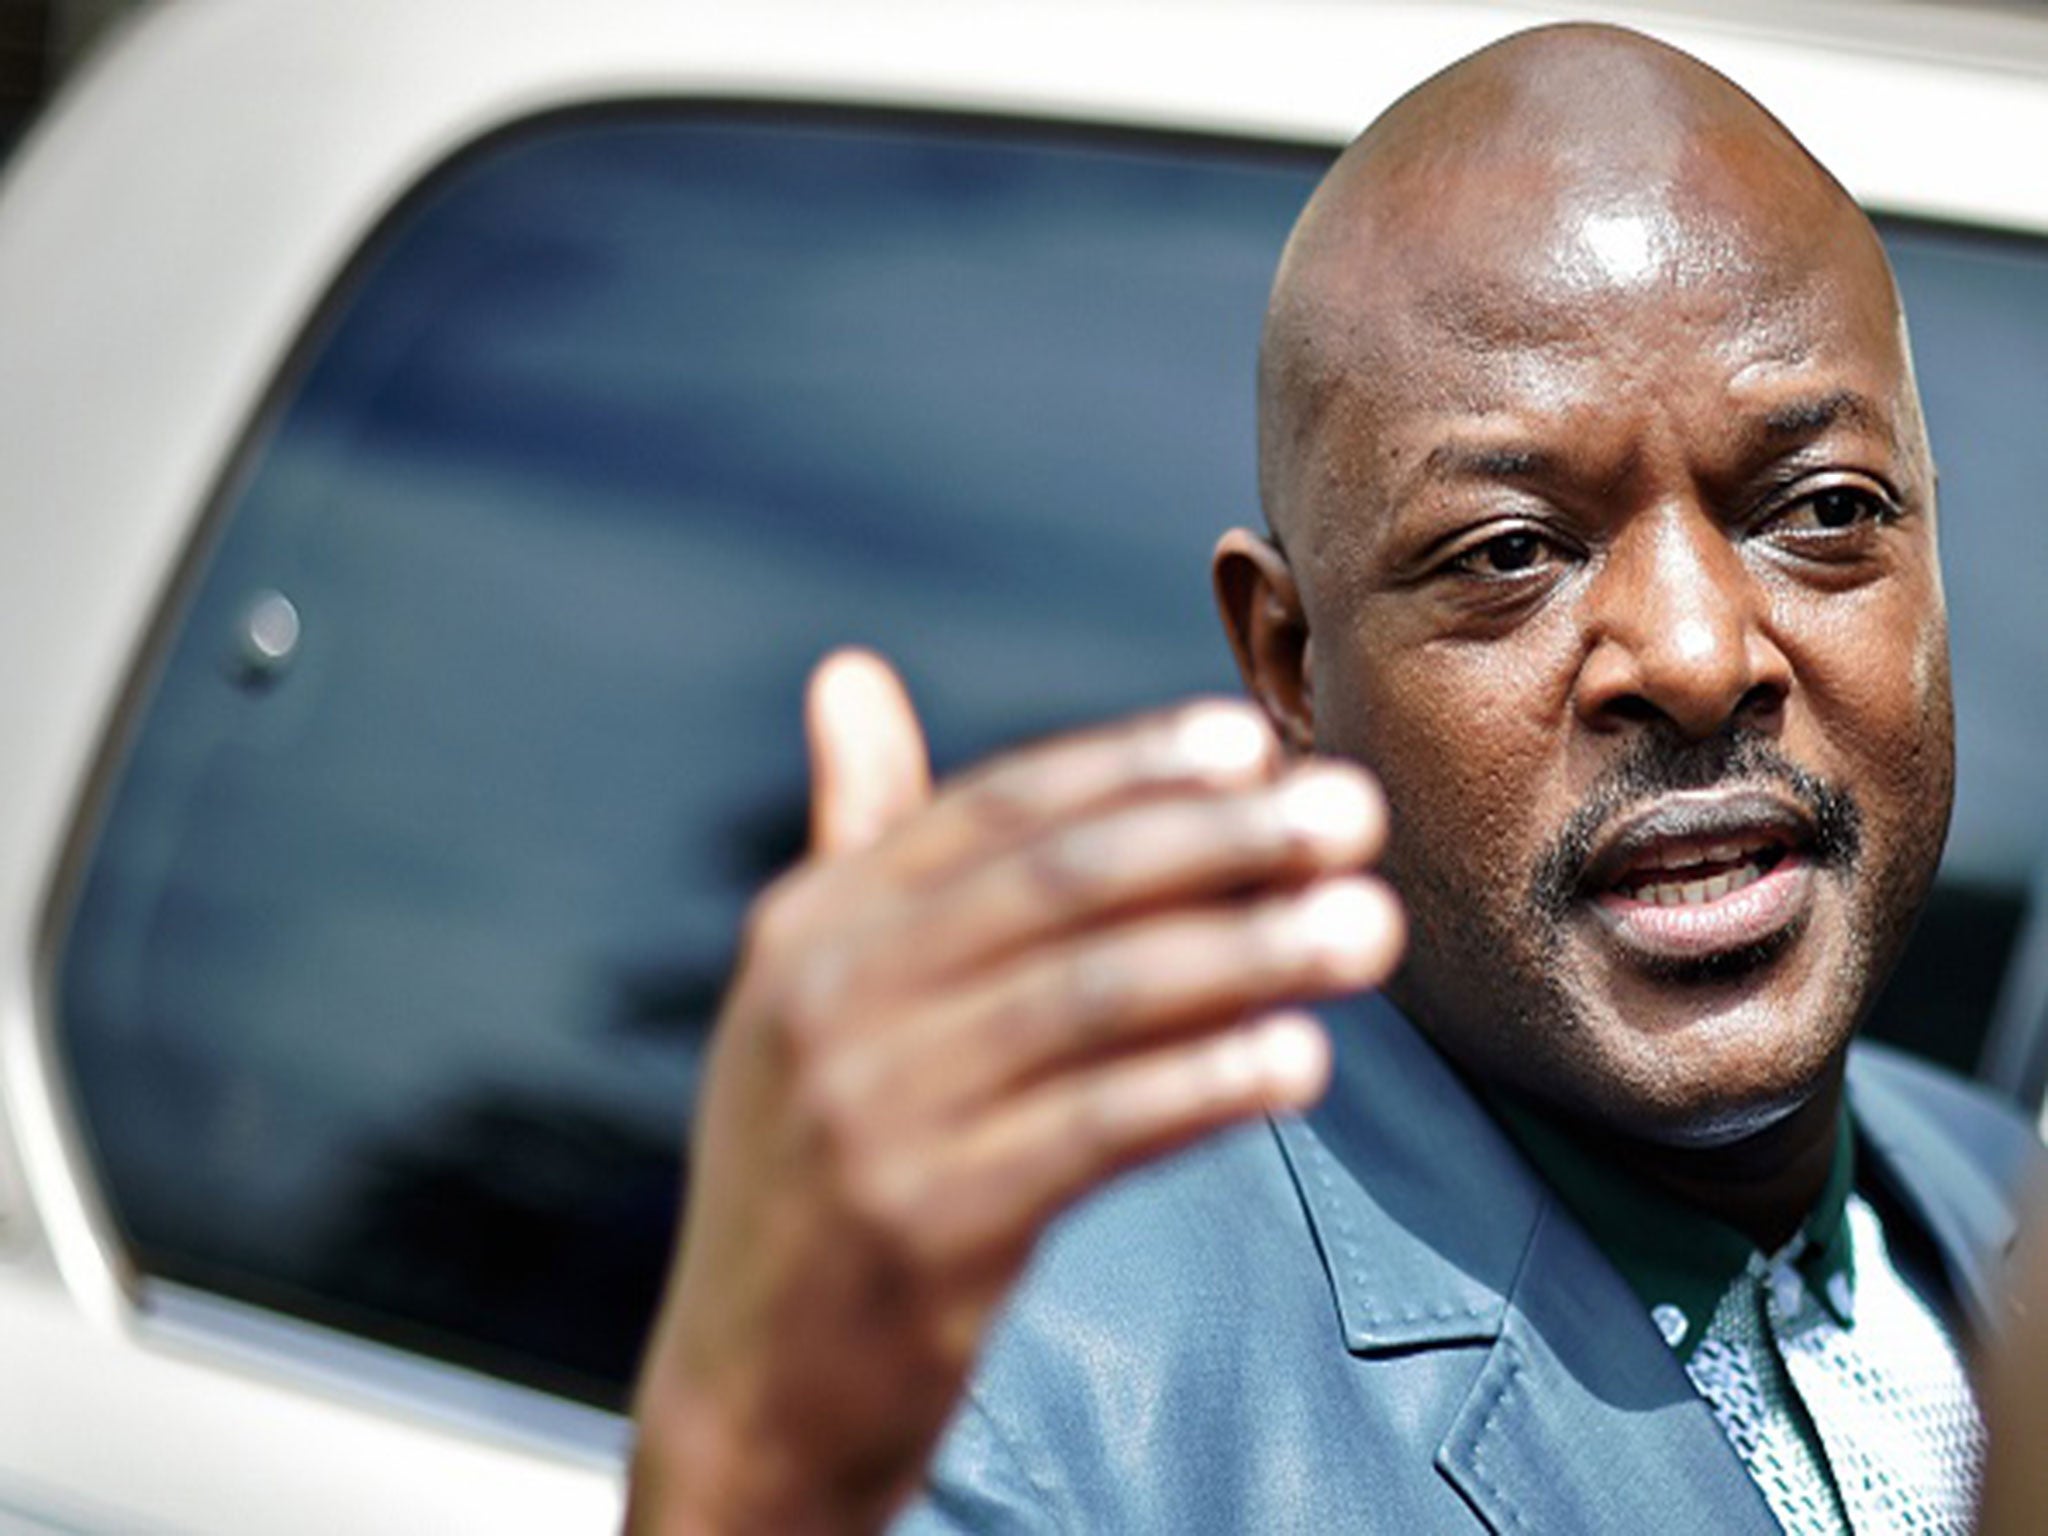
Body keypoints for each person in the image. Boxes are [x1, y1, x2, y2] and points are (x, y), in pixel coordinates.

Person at [626, 22, 2045, 1534]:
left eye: (1824, 509)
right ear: (1291, 665)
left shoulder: (1991, 1207)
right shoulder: (1035, 1415)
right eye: (1512, 553)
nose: (1698, 656)